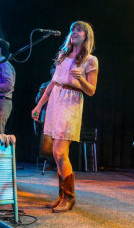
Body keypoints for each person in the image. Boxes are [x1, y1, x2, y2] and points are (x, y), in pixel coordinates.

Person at [32, 21, 98, 213]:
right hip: (55, 101)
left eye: (79, 30)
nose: (74, 33)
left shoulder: (90, 60)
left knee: (60, 152)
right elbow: (52, 82)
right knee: (56, 153)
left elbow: (92, 90)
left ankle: (69, 197)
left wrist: (81, 79)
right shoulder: (62, 55)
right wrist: (39, 105)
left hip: (71, 103)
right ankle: (62, 196)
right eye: (73, 30)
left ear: (86, 36)